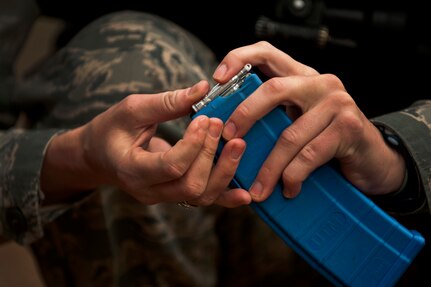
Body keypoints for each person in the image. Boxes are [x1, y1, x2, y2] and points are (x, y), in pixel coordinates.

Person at [1, 2, 429, 287]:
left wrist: (398, 155)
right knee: (127, 71)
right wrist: (77, 158)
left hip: (392, 209)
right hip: (179, 215)